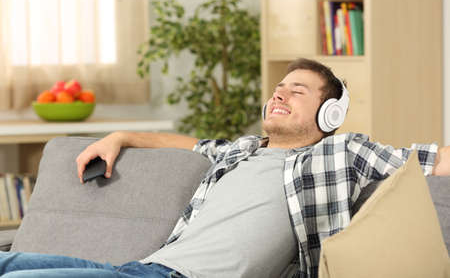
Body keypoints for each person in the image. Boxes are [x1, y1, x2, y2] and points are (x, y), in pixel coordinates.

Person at [1, 58, 449, 278]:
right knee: (9, 261)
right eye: (278, 88)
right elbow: (184, 143)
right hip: (140, 270)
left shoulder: (342, 153)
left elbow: (435, 159)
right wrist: (120, 137)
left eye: (297, 92)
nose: (279, 95)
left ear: (329, 114)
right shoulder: (240, 151)